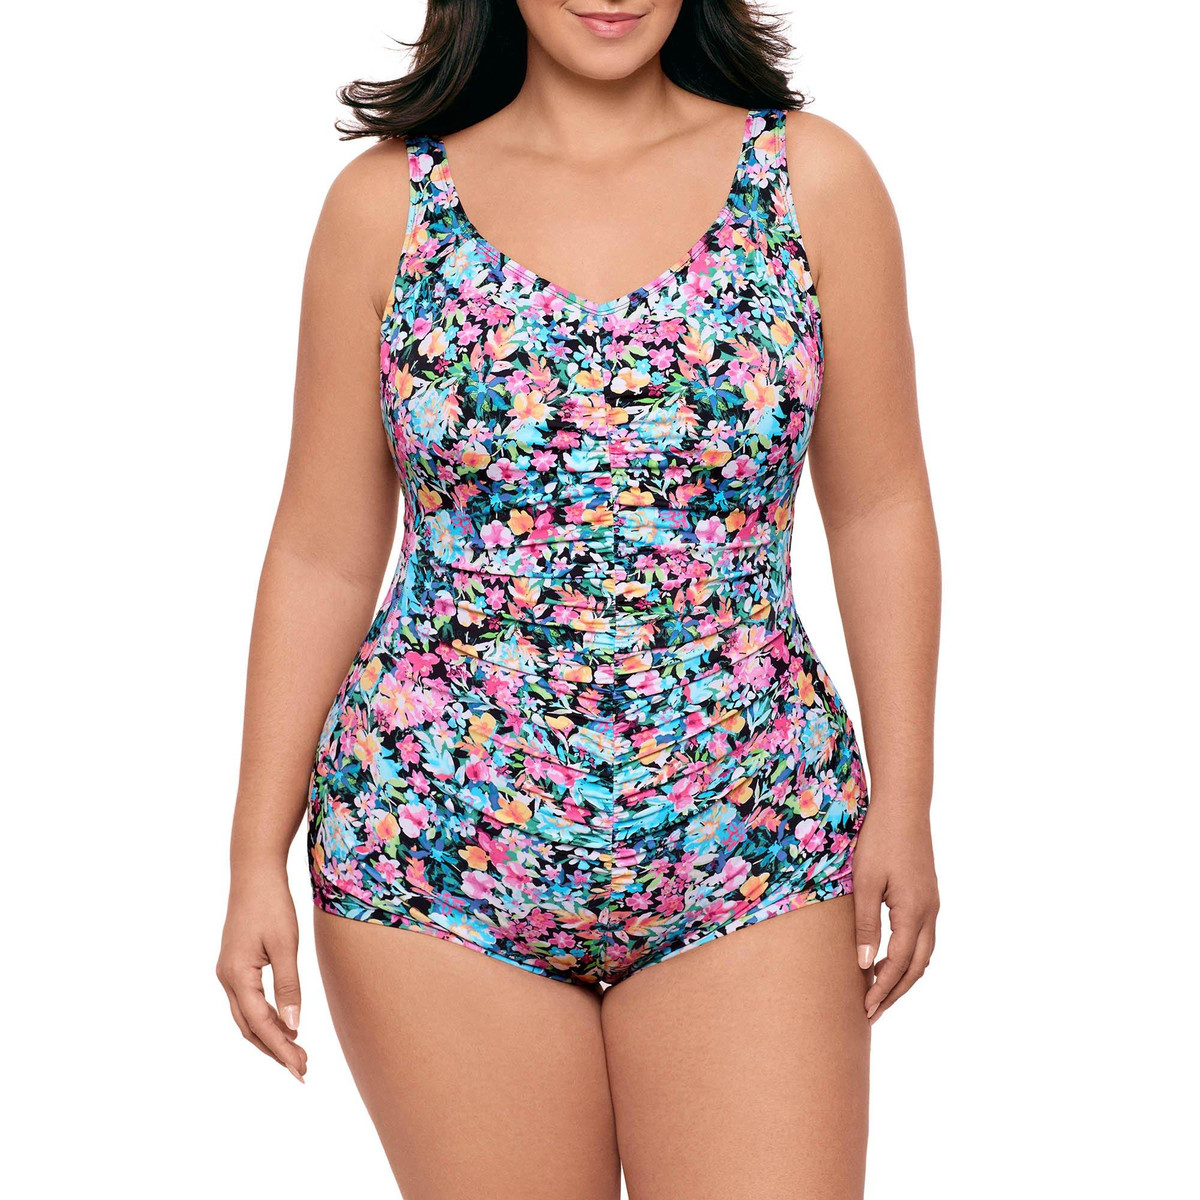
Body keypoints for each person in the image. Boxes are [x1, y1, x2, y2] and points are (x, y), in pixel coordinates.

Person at [216, 2, 941, 1196]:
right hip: (432, 849)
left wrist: (906, 802)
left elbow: (881, 509)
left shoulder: (812, 182)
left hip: (751, 836)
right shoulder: (386, 207)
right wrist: (255, 851)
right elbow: (321, 553)